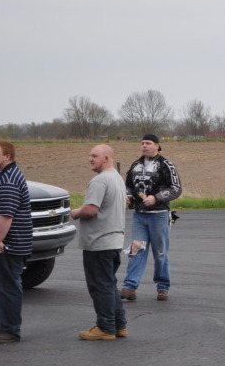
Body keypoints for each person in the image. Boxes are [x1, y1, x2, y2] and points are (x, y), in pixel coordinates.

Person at [71, 144, 128, 341]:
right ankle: (119, 325)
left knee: (100, 286)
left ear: (106, 158)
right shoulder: (117, 179)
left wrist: (75, 212)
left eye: (94, 156)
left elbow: (91, 209)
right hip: (114, 240)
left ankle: (105, 327)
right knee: (109, 284)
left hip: (99, 241)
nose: (90, 159)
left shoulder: (99, 180)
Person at [0, 140, 32, 344]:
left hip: (8, 246)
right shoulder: (4, 175)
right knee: (0, 286)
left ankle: (10, 330)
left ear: (7, 157)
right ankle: (5, 326)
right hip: (6, 245)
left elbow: (6, 215)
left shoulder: (8, 180)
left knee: (7, 286)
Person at [121, 134, 182, 302]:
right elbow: (128, 186)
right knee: (136, 249)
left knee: (160, 253)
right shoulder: (135, 165)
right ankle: (130, 287)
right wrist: (128, 196)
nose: (144, 146)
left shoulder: (166, 165)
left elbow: (176, 188)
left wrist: (156, 197)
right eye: (142, 143)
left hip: (160, 215)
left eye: (148, 143)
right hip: (139, 216)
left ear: (157, 145)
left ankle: (163, 287)